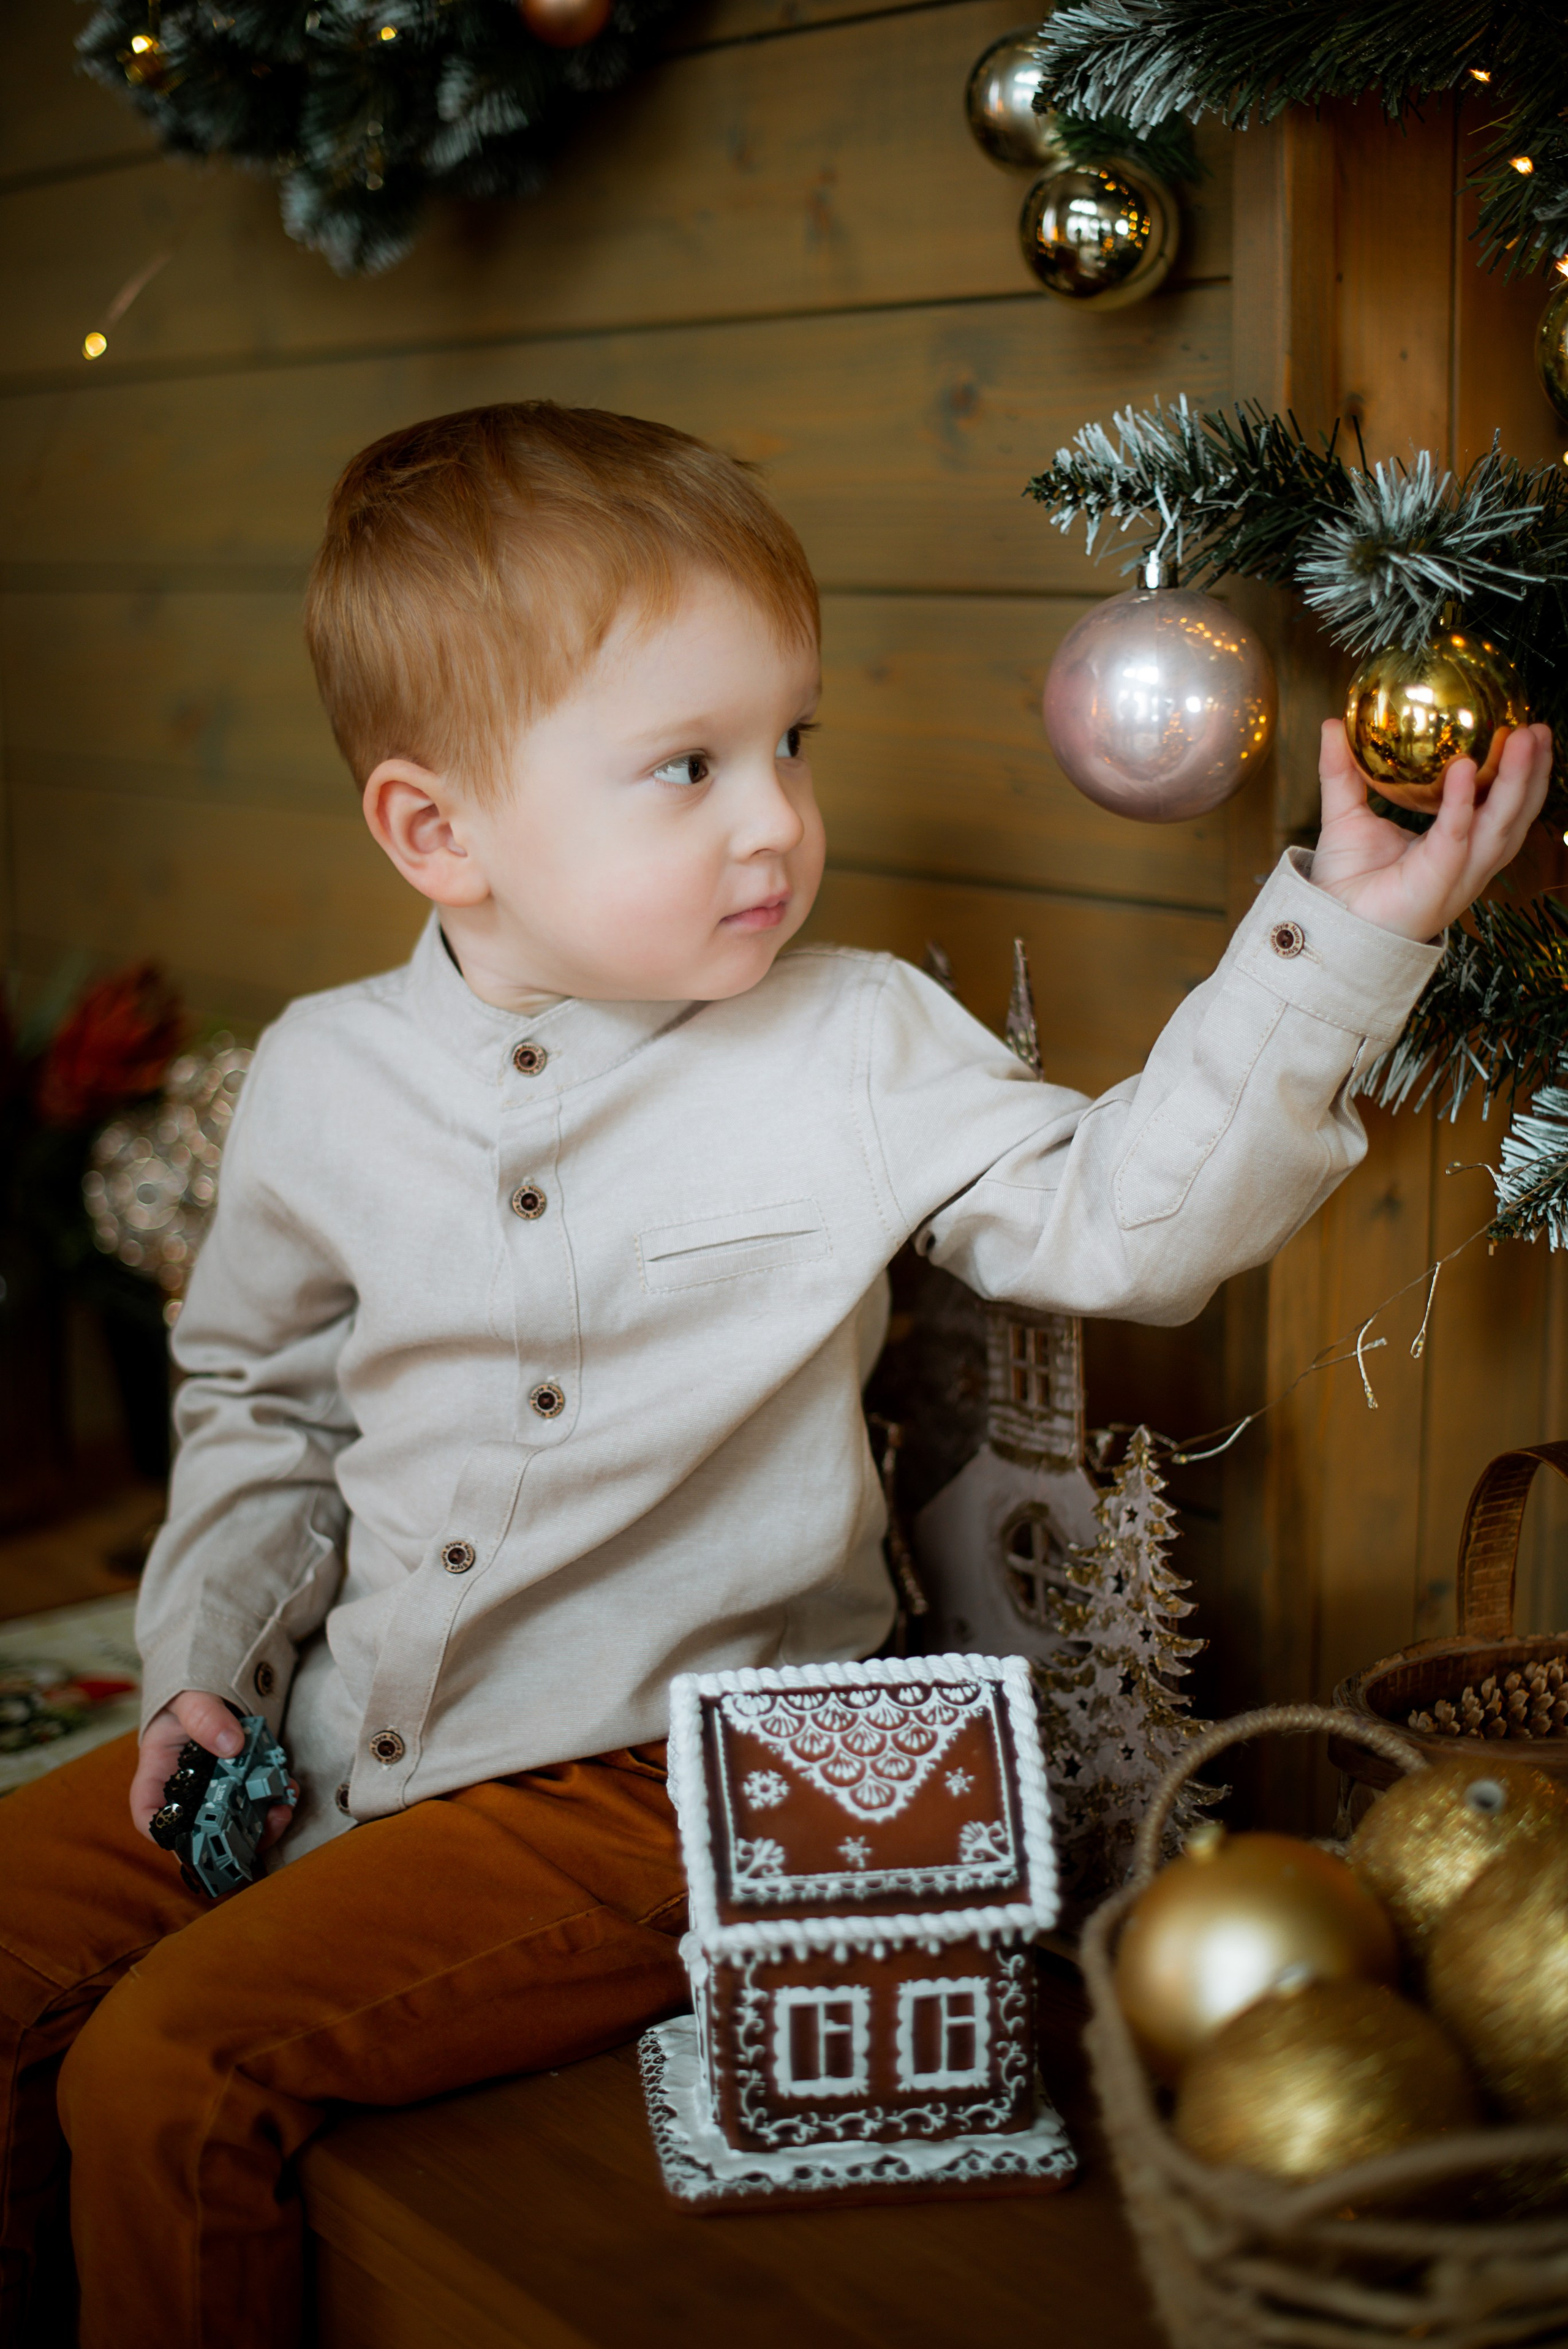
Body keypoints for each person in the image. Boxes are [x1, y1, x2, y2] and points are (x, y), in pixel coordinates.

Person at [0, 403, 1550, 2349]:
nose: (776, 820)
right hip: (318, 1727)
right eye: (689, 766)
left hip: (652, 1784)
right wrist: (205, 1661)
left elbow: (1124, 1225)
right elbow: (265, 1403)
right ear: (437, 830)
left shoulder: (851, 1043)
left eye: (791, 741)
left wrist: (1342, 943)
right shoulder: (323, 1076)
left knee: (165, 2075)